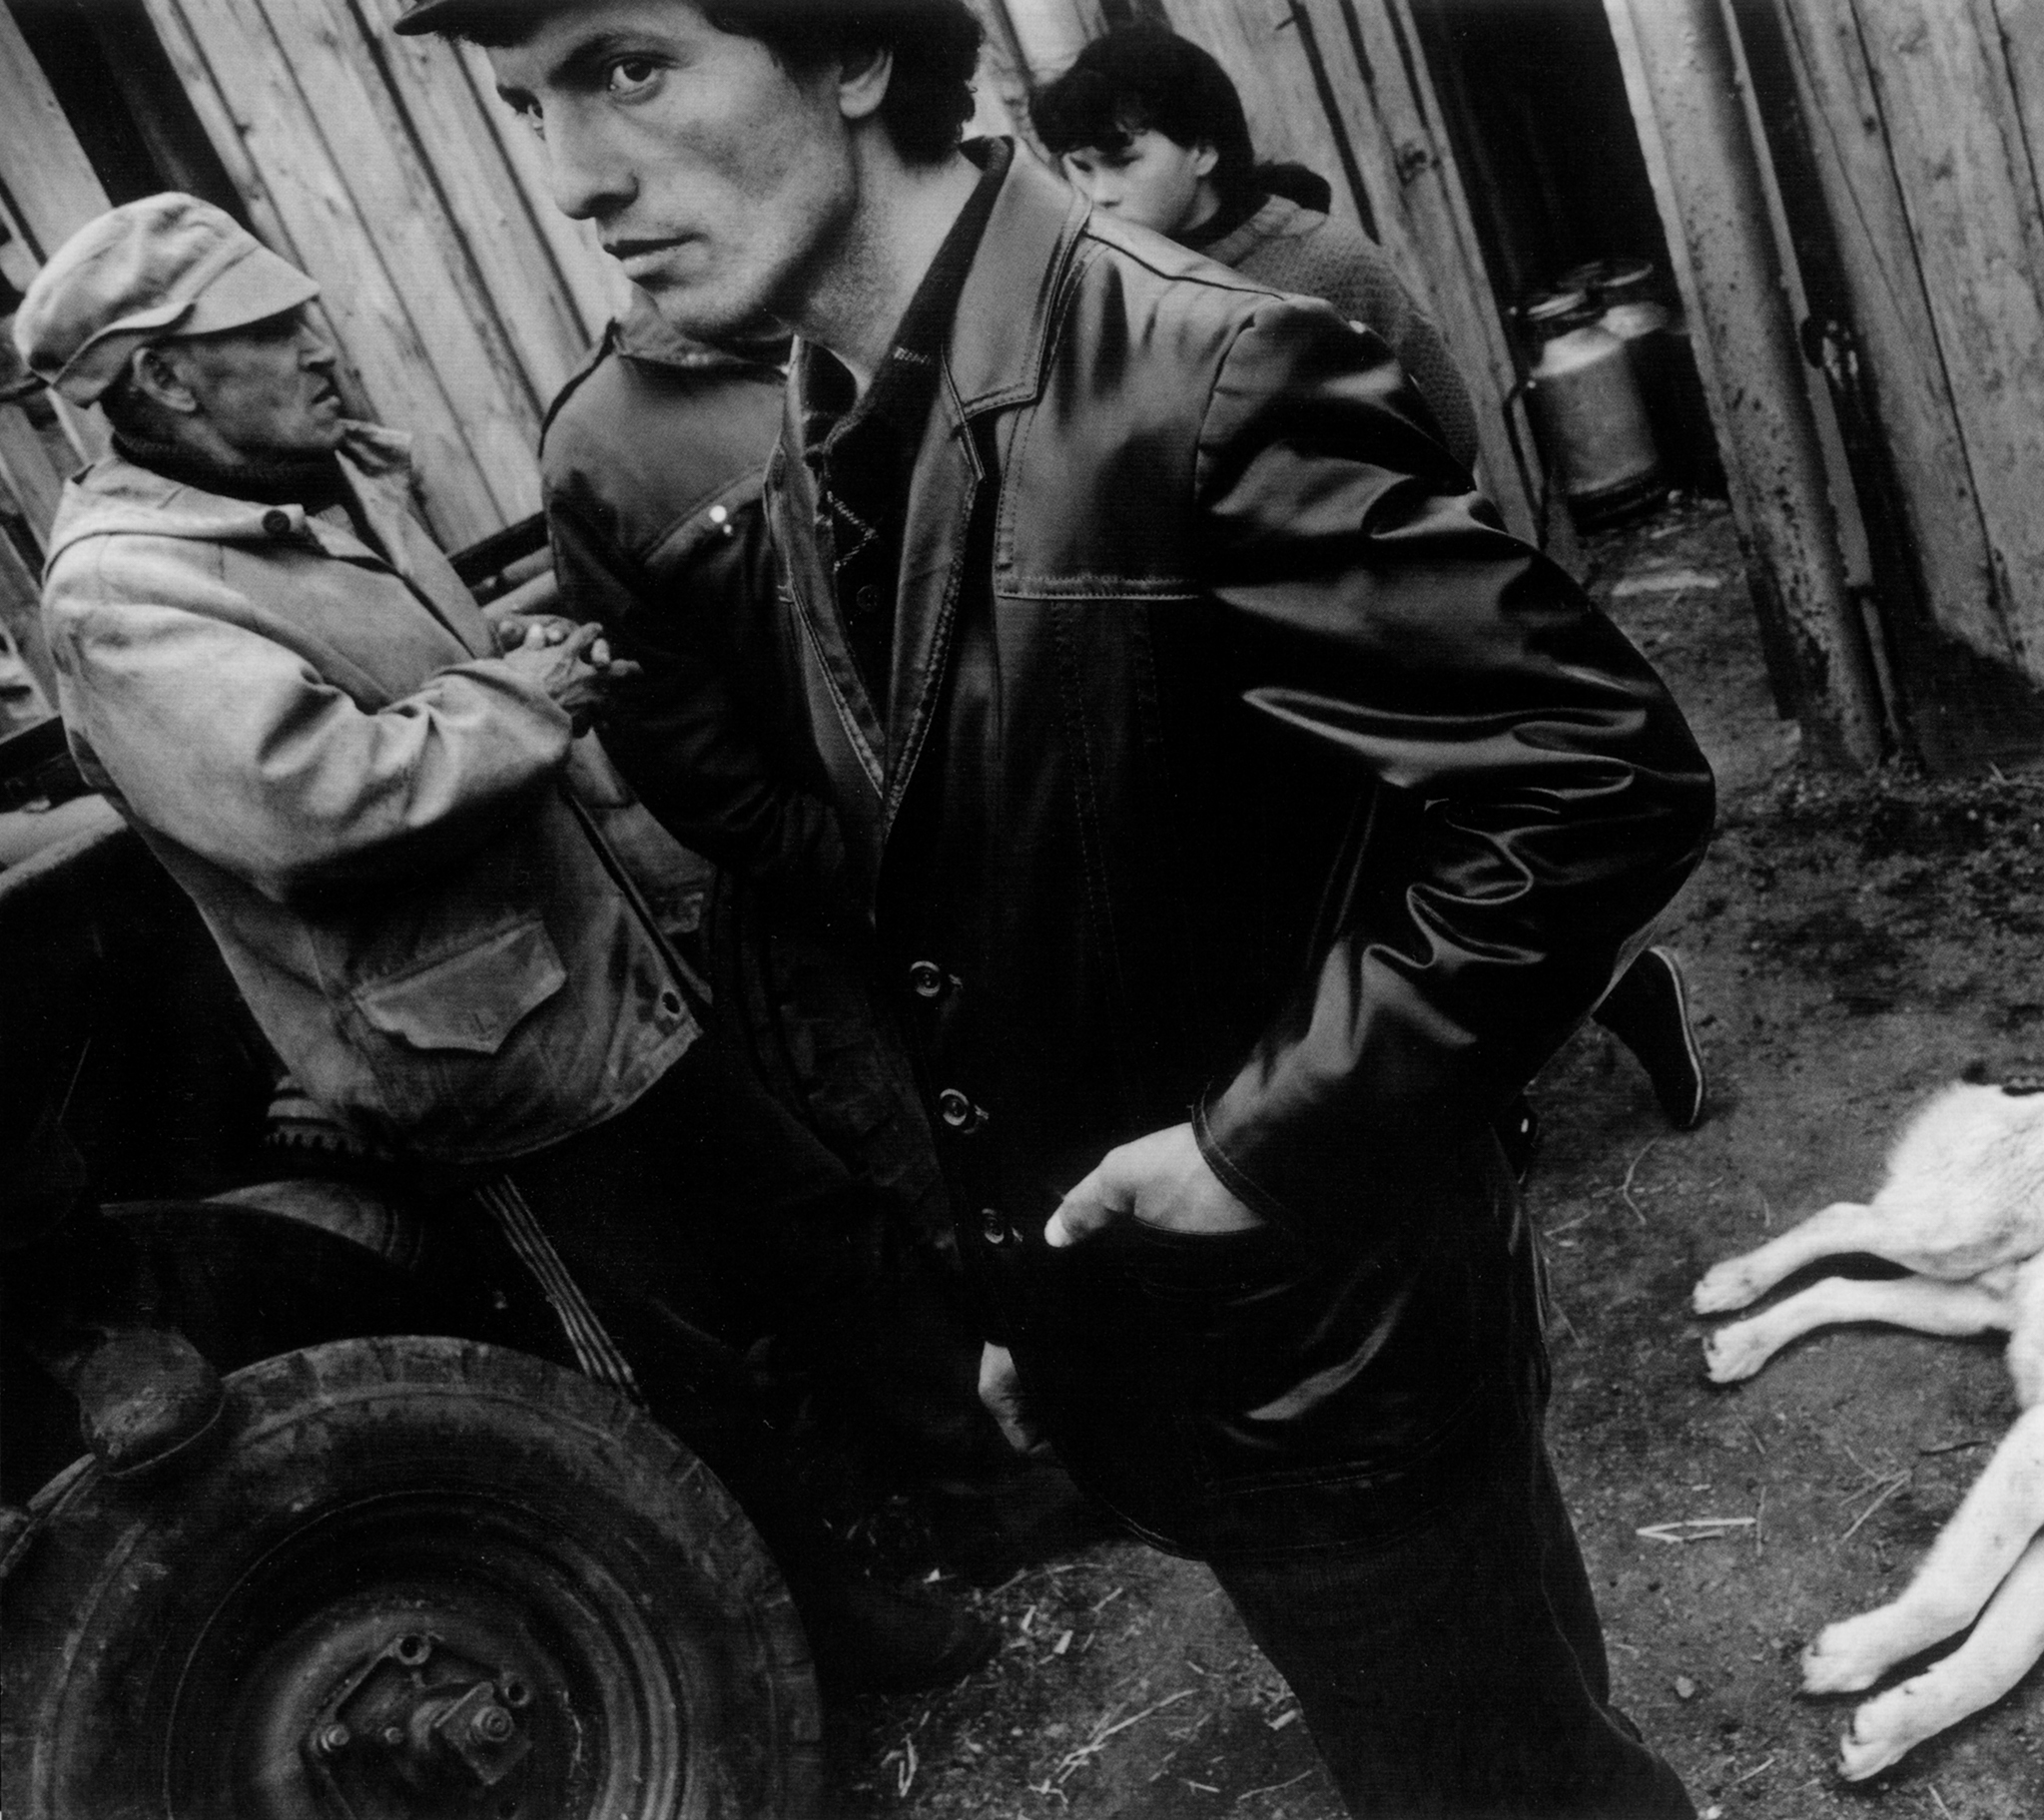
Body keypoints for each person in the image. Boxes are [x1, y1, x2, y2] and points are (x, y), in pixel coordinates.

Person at [414, 1, 1710, 1812]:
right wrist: (1046, 1302)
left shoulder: (1200, 372)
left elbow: (1594, 776)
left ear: (851, 50)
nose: (575, 176)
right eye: (531, 104)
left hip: (1332, 1342)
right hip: (1190, 1332)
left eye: (629, 69)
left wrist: (1260, 1142)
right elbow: (997, 914)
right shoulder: (839, 407)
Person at [13, 192, 993, 1692]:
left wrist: (505, 666)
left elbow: (422, 683)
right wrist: (519, 701)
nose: (323, 349)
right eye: (273, 332)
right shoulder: (122, 596)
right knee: (671, 1367)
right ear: (164, 380)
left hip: (602, 974)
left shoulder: (318, 479)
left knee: (820, 1236)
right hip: (481, 1055)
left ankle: (993, 1491)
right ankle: (818, 1636)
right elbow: (310, 804)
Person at [1033, 21, 1707, 1132]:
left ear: (1202, 149)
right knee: (1343, 884)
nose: (1095, 193)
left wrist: (1369, 546)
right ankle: (1529, 1059)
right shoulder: (1115, 290)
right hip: (1251, 636)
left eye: (1120, 160)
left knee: (1440, 866)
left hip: (1379, 610)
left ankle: (1575, 1028)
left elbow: (1444, 418)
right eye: (1076, 170)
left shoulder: (1320, 265)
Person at [539, 292, 1078, 1573]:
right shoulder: (602, 445)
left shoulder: (892, 319)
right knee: (913, 1176)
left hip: (1035, 825)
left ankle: (1140, 1383)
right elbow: (679, 745)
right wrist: (848, 871)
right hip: (843, 893)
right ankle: (1027, 1479)